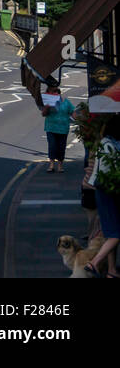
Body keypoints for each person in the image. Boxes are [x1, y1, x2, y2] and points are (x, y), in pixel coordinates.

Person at [86, 115, 120, 279]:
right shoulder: (109, 145)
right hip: (107, 191)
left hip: (105, 191)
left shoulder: (108, 142)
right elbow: (107, 173)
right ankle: (94, 262)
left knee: (111, 232)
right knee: (116, 233)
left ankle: (112, 271)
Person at [39, 77, 74, 174]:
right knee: (52, 146)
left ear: (59, 94)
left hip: (63, 128)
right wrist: (46, 107)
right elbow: (43, 114)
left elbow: (73, 113)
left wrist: (81, 119)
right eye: (52, 93)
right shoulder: (48, 103)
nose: (54, 95)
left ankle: (60, 166)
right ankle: (51, 165)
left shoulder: (66, 102)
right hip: (51, 127)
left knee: (61, 147)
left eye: (56, 93)